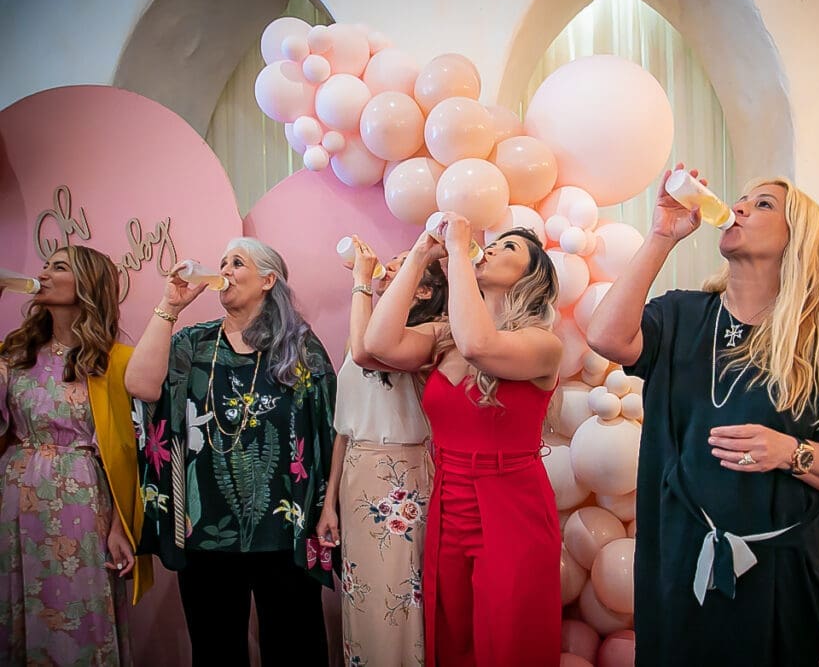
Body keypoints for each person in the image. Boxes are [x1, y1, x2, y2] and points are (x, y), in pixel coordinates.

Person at [587, 167, 819, 666]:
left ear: (798, 238)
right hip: (681, 564)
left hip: (780, 576)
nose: (739, 206)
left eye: (763, 204)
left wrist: (791, 451)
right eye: (741, 199)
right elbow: (605, 338)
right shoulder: (681, 315)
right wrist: (662, 234)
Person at [125, 237, 336, 666]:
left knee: (295, 644)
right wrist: (169, 306)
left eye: (237, 262)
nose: (224, 269)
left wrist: (328, 505)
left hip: (286, 529)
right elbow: (141, 386)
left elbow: (328, 432)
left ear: (266, 280)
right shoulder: (193, 343)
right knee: (215, 647)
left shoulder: (299, 346)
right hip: (206, 530)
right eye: (222, 261)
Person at [364, 218, 563, 667]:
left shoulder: (542, 344)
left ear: (533, 276)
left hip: (513, 505)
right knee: (452, 637)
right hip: (448, 500)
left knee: (511, 641)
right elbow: (377, 342)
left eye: (508, 248)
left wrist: (456, 249)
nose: (489, 250)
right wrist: (420, 254)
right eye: (488, 245)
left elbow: (479, 345)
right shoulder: (443, 335)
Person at [0, 245, 152, 665]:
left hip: (81, 501)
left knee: (74, 613)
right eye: (45, 265)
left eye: (59, 267)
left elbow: (131, 450)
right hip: (13, 497)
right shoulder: (14, 354)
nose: (44, 274)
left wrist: (123, 527)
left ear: (87, 284)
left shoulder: (116, 360)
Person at [315, 237, 447, 666]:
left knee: (402, 591)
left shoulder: (427, 337)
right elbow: (343, 427)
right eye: (386, 267)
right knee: (362, 592)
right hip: (357, 476)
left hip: (404, 478)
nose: (384, 272)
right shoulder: (366, 330)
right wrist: (329, 502)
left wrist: (360, 284)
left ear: (424, 289)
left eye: (399, 267)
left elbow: (366, 351)